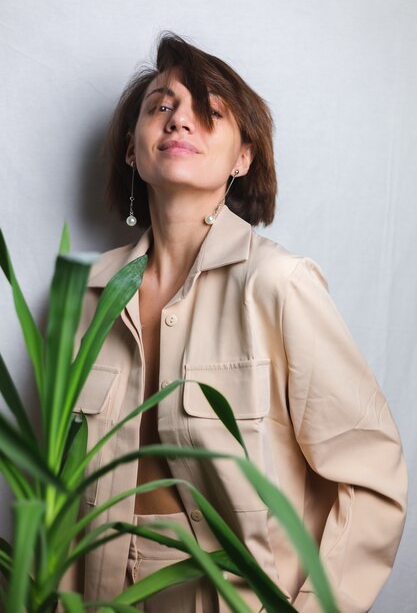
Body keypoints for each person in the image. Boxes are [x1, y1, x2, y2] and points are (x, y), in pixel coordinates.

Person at [70, 33, 407, 612]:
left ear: (243, 158)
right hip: (95, 592)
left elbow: (373, 477)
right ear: (132, 149)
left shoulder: (280, 284)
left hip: (229, 595)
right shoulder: (87, 293)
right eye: (161, 107)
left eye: (209, 113)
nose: (178, 122)